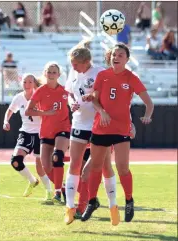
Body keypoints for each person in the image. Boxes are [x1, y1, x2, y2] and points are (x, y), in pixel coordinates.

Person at [82, 43, 154, 223]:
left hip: (121, 128)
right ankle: (92, 202)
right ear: (110, 56)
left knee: (122, 168)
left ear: (127, 59)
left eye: (121, 54)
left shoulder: (131, 77)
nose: (117, 57)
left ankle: (129, 200)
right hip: (101, 127)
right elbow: (95, 101)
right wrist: (102, 112)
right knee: (96, 167)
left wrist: (147, 116)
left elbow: (149, 102)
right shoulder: (102, 75)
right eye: (115, 54)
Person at [64, 47, 120, 226]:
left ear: (86, 61)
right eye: (71, 64)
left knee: (103, 167)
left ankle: (113, 207)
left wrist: (99, 105)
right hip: (79, 123)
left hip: (99, 125)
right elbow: (70, 94)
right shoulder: (73, 72)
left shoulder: (100, 73)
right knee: (74, 165)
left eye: (76, 64)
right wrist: (72, 103)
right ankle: (70, 208)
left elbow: (112, 99)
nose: (73, 67)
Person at [25, 62, 71, 204]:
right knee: (46, 165)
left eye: (54, 72)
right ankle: (62, 187)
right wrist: (45, 113)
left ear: (59, 75)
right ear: (45, 74)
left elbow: (76, 104)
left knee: (57, 156)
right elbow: (28, 111)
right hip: (46, 131)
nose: (51, 74)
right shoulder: (40, 91)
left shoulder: (65, 91)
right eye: (49, 72)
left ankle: (57, 192)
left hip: (63, 128)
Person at [3, 73, 52, 201]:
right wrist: (5, 121)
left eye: (30, 82)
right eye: (25, 82)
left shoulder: (40, 96)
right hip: (25, 132)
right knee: (15, 161)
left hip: (40, 133)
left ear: (35, 83)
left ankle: (49, 192)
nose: (27, 84)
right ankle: (32, 181)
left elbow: (48, 112)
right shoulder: (19, 97)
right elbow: (10, 110)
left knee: (40, 167)